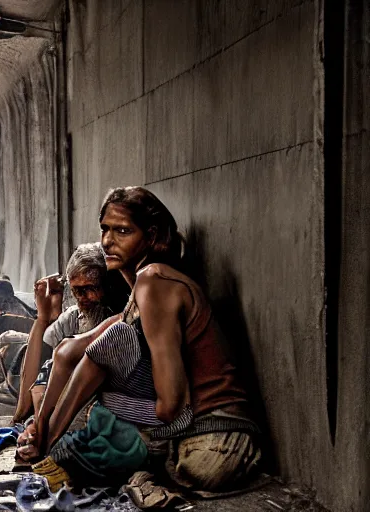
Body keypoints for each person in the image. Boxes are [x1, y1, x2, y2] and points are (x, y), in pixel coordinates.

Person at [18, 187, 260, 496]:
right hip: (205, 441)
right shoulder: (141, 294)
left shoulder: (154, 281)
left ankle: (50, 451)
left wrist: (102, 402)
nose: (108, 241)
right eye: (104, 229)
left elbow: (170, 407)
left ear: (151, 235)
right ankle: (49, 448)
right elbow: (67, 352)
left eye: (122, 231)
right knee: (101, 369)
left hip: (216, 442)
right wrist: (42, 427)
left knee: (102, 391)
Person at [12, 243, 126, 425]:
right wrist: (42, 318)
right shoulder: (73, 317)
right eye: (76, 291)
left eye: (90, 288)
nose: (82, 298)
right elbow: (26, 403)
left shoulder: (123, 322)